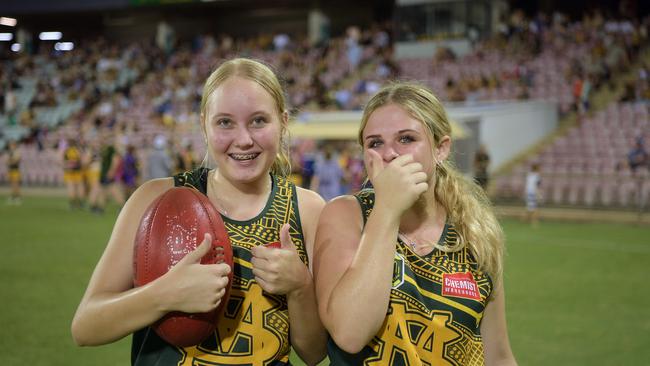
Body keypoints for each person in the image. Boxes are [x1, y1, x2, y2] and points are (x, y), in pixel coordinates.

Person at [71, 58, 327, 366]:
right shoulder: (155, 198)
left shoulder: (308, 210)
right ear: (204, 124)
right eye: (225, 122)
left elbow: (314, 354)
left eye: (259, 121)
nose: (243, 139)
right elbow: (86, 327)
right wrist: (164, 295)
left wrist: (300, 287)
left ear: (283, 122)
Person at [313, 82, 517, 365]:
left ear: (441, 149)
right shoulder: (346, 215)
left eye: (406, 139)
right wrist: (386, 210)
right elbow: (350, 333)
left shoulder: (475, 232)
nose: (390, 154)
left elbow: (498, 356)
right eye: (375, 143)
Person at [525, 163, 542, 227]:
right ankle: (534, 222)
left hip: (528, 192)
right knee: (534, 208)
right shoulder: (537, 176)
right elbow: (536, 186)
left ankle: (526, 219)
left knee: (529, 207)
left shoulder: (529, 175)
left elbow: (527, 185)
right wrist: (539, 194)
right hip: (533, 193)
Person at [6, 140, 21, 205]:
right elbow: (7, 161)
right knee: (12, 184)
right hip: (11, 170)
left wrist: (10, 161)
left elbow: (16, 160)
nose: (11, 146)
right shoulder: (10, 152)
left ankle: (17, 197)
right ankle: (13, 196)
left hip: (15, 170)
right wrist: (10, 161)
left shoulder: (16, 152)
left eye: (12, 145)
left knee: (16, 184)